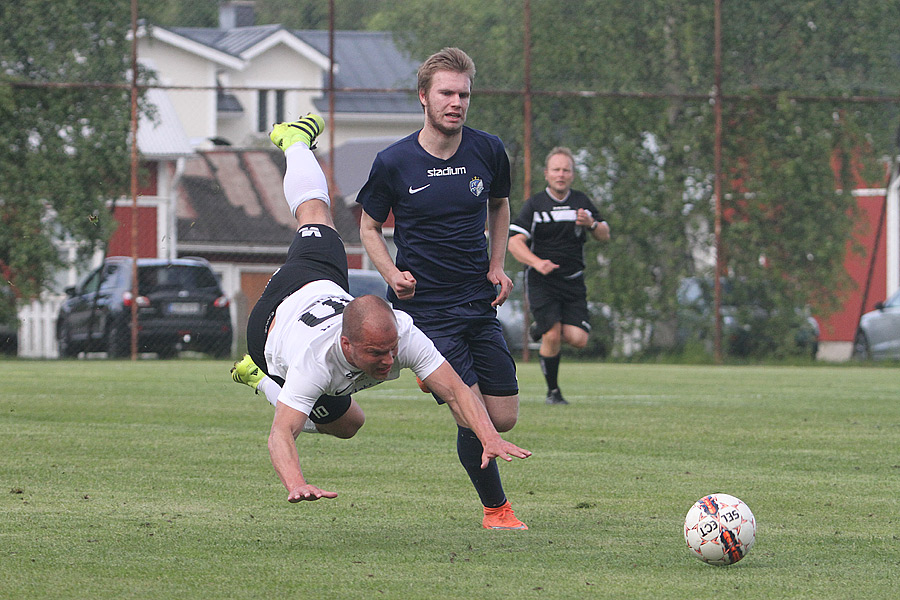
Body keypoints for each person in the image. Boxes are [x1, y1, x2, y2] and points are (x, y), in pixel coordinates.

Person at [230, 113, 531, 511]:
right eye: (376, 354)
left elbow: (458, 390)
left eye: (391, 352)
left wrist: (489, 436)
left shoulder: (402, 331)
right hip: (271, 326)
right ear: (347, 344)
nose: (390, 363)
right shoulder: (312, 364)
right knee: (343, 423)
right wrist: (296, 482)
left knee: (317, 214)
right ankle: (259, 378)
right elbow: (281, 435)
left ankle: (295, 141)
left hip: (321, 284)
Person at [356, 48, 528, 530]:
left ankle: (446, 389)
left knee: (505, 416)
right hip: (427, 311)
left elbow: (500, 207)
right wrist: (391, 274)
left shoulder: (488, 150)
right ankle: (497, 510)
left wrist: (498, 264)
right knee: (471, 416)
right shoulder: (394, 162)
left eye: (464, 94)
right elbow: (369, 227)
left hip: (477, 300)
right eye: (446, 93)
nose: (456, 102)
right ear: (424, 98)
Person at [508, 146, 610, 405]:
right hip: (542, 282)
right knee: (552, 335)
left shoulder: (581, 202)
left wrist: (593, 224)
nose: (561, 174)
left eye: (566, 170)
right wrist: (537, 262)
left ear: (572, 175)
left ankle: (540, 326)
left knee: (579, 339)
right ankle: (553, 392)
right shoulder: (535, 205)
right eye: (556, 169)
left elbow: (604, 234)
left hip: (573, 281)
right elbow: (514, 242)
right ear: (547, 174)